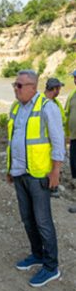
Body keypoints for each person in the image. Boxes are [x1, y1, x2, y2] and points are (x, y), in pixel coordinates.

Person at [7, 69, 65, 288]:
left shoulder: (47, 107)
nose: (16, 88)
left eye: (19, 85)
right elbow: (13, 139)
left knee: (43, 221)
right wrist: (10, 167)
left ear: (32, 87)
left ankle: (51, 267)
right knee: (27, 218)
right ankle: (37, 254)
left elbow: (58, 141)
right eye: (15, 84)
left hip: (39, 174)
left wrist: (55, 171)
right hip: (20, 172)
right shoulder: (16, 107)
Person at [43, 77, 65, 197]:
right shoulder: (50, 106)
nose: (60, 91)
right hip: (49, 146)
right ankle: (52, 187)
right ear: (55, 89)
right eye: (59, 88)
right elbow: (56, 136)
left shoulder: (38, 102)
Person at [66, 70, 76, 214]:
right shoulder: (72, 95)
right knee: (74, 169)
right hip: (73, 139)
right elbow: (66, 114)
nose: (74, 80)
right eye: (74, 77)